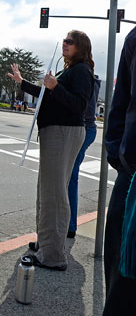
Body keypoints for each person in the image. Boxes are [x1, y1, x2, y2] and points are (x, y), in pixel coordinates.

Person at [8, 31, 94, 270]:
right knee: (47, 190)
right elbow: (47, 94)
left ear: (81, 47)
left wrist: (56, 87)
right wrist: (22, 82)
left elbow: (79, 105)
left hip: (63, 132)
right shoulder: (71, 71)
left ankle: (54, 255)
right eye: (65, 40)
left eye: (70, 42)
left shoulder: (82, 71)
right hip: (56, 132)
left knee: (54, 193)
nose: (65, 44)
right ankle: (47, 243)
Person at [97, 26, 136, 316]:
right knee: (120, 289)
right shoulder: (135, 40)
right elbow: (120, 103)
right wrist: (119, 154)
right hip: (132, 177)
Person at [67, 74, 101, 238]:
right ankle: (68, 223)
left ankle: (70, 224)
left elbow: (84, 109)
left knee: (71, 175)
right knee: (69, 175)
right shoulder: (88, 75)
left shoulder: (83, 75)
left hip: (85, 128)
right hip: (88, 128)